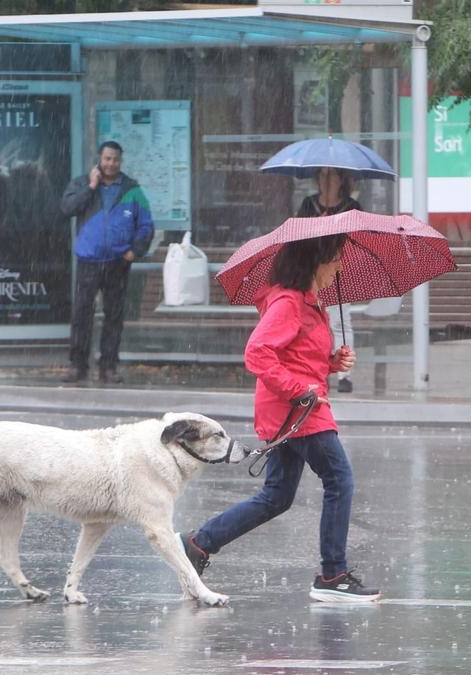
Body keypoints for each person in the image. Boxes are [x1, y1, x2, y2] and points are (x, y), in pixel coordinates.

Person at [178, 233, 381, 603]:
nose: (339, 266)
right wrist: (298, 389)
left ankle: (198, 544)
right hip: (299, 411)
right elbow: (257, 353)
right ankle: (332, 574)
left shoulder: (309, 304)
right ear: (316, 261)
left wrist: (331, 362)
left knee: (277, 496)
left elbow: (297, 356)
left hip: (291, 410)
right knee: (339, 480)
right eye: (335, 258)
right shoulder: (289, 302)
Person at [59, 141, 154, 384]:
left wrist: (135, 251)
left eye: (115, 159)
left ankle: (108, 367)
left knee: (114, 316)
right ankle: (78, 366)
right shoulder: (82, 183)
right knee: (82, 314)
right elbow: (67, 208)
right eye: (107, 159)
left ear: (121, 161)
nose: (111, 163)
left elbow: (146, 225)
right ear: (99, 159)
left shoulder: (132, 190)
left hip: (117, 263)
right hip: (88, 261)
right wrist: (90, 187)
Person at [297, 167, 360, 393]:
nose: (326, 180)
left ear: (341, 179)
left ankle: (344, 374)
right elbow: (298, 236)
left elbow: (358, 239)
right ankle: (316, 368)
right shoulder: (309, 204)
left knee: (340, 321)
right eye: (322, 175)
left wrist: (335, 229)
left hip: (338, 270)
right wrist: (317, 227)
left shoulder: (351, 207)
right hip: (312, 271)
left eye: (331, 175)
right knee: (313, 321)